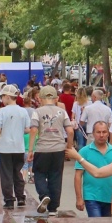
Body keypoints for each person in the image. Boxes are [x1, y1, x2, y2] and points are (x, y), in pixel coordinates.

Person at [30, 86, 74, 215]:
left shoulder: (37, 112)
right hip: (58, 149)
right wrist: (69, 147)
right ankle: (53, 208)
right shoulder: (62, 112)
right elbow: (70, 131)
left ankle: (44, 195)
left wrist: (31, 149)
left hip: (42, 148)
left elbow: (33, 130)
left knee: (39, 173)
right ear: (56, 98)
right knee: (56, 176)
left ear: (40, 98)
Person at [71, 121, 112, 217]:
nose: (101, 135)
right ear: (93, 133)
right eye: (98, 132)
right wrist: (79, 198)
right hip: (92, 196)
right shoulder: (84, 151)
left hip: (111, 196)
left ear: (108, 133)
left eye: (104, 132)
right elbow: (78, 175)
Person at [0, 87, 30, 208]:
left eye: (2, 97)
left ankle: (9, 200)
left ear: (7, 97)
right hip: (19, 147)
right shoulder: (23, 111)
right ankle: (20, 198)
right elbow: (27, 129)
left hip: (5, 147)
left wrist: (3, 132)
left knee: (6, 174)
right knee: (17, 172)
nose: (1, 99)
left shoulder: (2, 111)